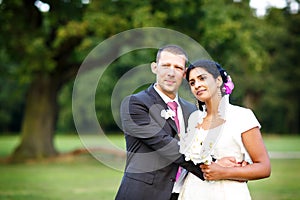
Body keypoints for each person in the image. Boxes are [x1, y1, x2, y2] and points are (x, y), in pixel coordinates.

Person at [115, 45, 244, 200]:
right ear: (155, 68)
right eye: (166, 66)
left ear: (184, 74)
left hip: (184, 193)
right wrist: (214, 165)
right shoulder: (135, 104)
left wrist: (237, 167)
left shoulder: (192, 110)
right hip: (143, 194)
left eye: (177, 67)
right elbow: (165, 144)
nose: (171, 72)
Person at [178, 59, 271, 200]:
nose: (197, 85)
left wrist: (225, 172)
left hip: (227, 193)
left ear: (218, 80)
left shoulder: (242, 116)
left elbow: (264, 167)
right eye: (192, 83)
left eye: (202, 78)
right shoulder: (193, 119)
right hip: (193, 191)